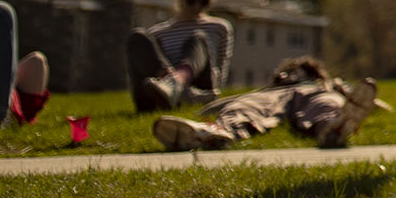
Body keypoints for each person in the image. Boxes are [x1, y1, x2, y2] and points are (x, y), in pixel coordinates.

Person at [150, 57, 380, 151]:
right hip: (275, 95)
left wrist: (359, 100)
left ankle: (333, 126)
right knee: (245, 107)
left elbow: (362, 98)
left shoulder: (328, 84)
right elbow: (232, 102)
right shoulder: (273, 86)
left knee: (327, 103)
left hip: (316, 92)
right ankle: (213, 132)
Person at [126, 0, 234, 114]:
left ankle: (177, 85)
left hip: (198, 93)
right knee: (137, 37)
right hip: (159, 96)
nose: (197, 6)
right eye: (192, 0)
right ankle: (172, 87)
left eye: (203, 2)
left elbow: (220, 73)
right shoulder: (158, 32)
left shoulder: (220, 27)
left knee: (198, 38)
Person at [0, 0, 52, 128]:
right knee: (0, 12)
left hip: (2, 104)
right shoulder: (17, 106)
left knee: (0, 12)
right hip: (4, 105)